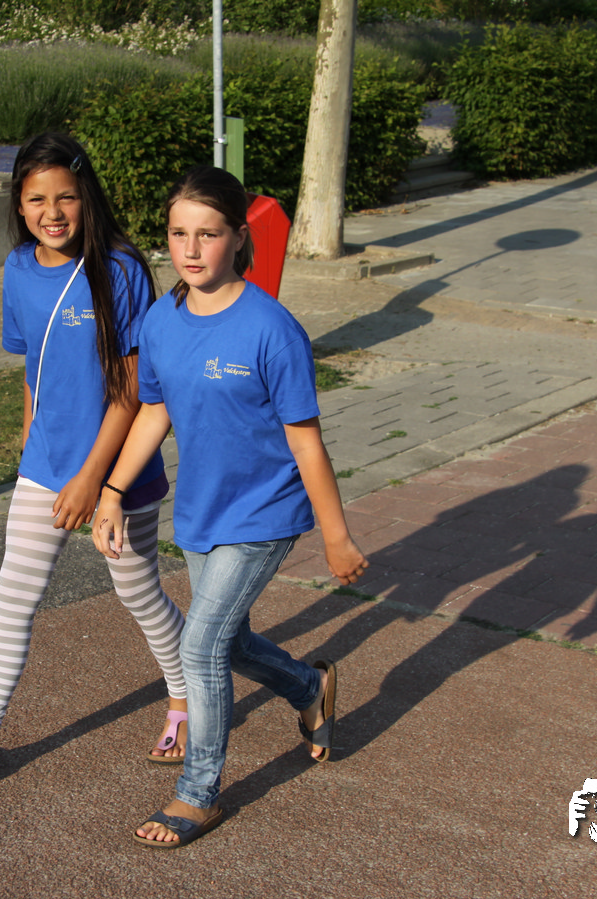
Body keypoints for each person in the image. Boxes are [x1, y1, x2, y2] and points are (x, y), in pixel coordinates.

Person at [0, 132, 188, 784]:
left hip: (117, 473)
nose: (51, 212)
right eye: (36, 200)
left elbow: (132, 390)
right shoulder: (19, 270)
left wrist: (94, 481)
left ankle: (185, 697)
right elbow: (35, 363)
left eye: (65, 197)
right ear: (19, 204)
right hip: (45, 466)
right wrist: (31, 443)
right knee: (12, 600)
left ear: (87, 197)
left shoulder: (120, 270)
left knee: (138, 592)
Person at [92, 165, 368, 848]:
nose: (190, 250)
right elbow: (153, 413)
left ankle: (197, 794)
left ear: (239, 238)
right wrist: (112, 491)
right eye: (178, 234)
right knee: (230, 640)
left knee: (201, 645)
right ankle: (308, 688)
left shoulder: (272, 329)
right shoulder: (161, 319)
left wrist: (336, 536)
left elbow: (306, 443)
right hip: (202, 512)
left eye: (208, 234)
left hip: (264, 512)